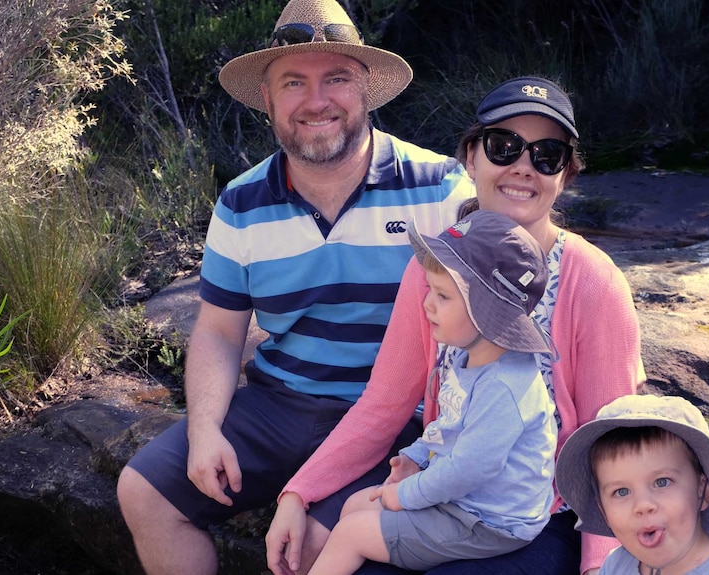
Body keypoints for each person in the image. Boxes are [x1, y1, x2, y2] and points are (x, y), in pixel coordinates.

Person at [115, 0, 474, 572]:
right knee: (144, 493)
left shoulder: (441, 190)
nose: (315, 101)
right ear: (268, 99)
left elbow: (490, 322)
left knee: (312, 546)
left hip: (398, 415)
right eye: (293, 82)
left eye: (336, 78)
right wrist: (205, 429)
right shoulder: (240, 203)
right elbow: (217, 331)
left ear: (365, 90)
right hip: (279, 403)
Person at [267, 76, 645, 575]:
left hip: (539, 515)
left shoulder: (593, 282)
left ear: (565, 176)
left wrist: (600, 566)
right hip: (444, 491)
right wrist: (299, 492)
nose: (522, 167)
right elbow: (384, 404)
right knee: (327, 548)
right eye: (503, 146)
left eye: (546, 155)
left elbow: (611, 441)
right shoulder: (434, 268)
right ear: (471, 157)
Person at [309, 209, 558, 574]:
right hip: (459, 499)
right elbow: (450, 425)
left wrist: (405, 494)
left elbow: (469, 468)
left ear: (488, 311)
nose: (427, 304)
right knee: (355, 507)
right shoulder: (466, 355)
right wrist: (416, 455)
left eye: (443, 295)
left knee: (350, 533)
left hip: (491, 522)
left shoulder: (504, 386)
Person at [555, 394, 709, 575]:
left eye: (662, 482)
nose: (642, 505)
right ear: (603, 511)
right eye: (621, 491)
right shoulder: (616, 564)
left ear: (703, 492)